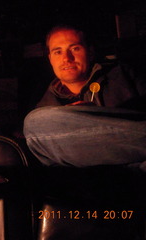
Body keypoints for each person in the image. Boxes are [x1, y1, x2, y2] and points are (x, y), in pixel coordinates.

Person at [23, 25, 146, 170]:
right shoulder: (45, 104)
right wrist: (69, 120)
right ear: (50, 59)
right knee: (35, 123)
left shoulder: (122, 76)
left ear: (90, 52)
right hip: (97, 177)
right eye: (58, 52)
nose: (66, 58)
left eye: (75, 49)